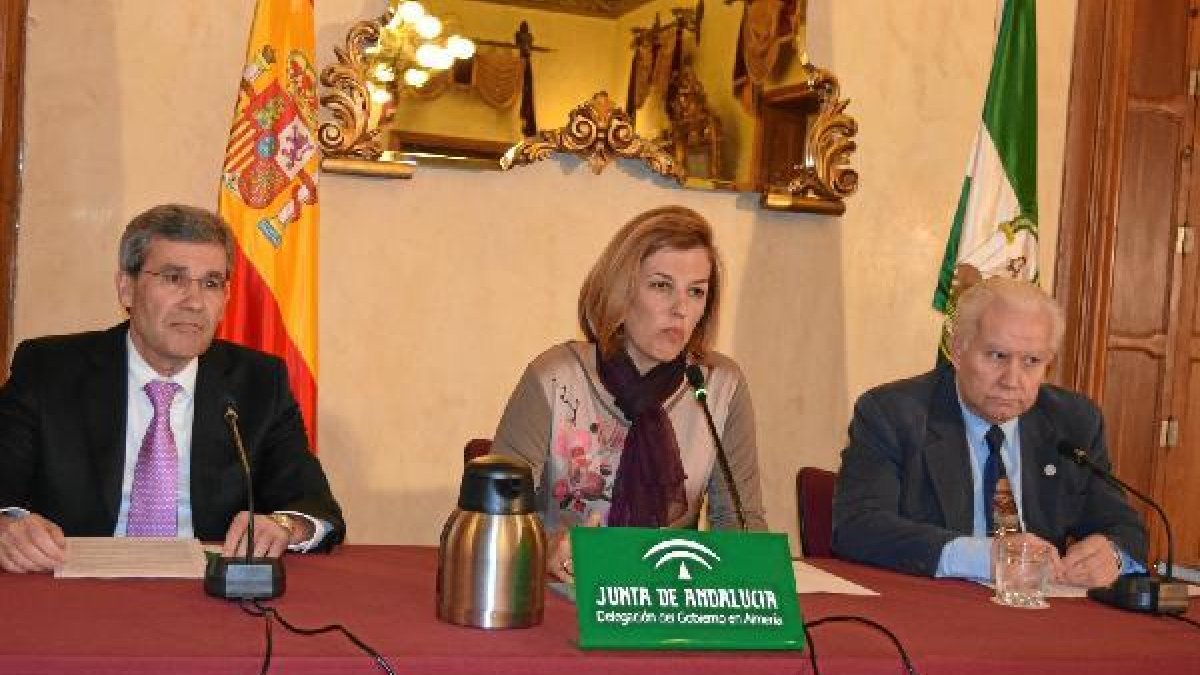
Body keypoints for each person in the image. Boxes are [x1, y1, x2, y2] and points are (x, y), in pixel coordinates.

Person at [0, 204, 344, 573]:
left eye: (211, 283)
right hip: (77, 590)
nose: (195, 302)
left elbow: (316, 508)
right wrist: (7, 523)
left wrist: (283, 526)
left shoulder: (259, 382)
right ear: (126, 288)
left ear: (226, 297)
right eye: (173, 278)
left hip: (207, 598)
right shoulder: (49, 369)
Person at [493, 206, 767, 581]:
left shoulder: (719, 388)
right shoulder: (556, 377)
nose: (681, 309)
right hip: (561, 598)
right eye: (661, 285)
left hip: (668, 604)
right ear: (621, 289)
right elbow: (496, 517)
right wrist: (548, 548)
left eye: (697, 292)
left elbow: (740, 525)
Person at [832, 277, 1147, 588]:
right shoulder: (894, 413)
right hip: (934, 610)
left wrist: (1113, 554)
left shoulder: (1073, 421)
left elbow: (1126, 528)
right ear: (957, 349)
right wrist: (983, 556)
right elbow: (858, 526)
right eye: (997, 356)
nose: (1012, 380)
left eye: (1031, 362)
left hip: (1041, 613)